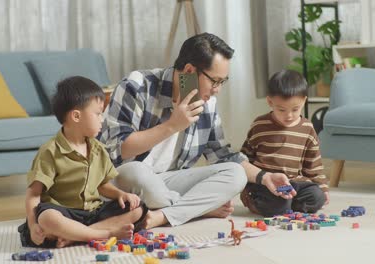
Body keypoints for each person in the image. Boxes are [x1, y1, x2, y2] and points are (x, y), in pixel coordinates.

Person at [101, 33, 291, 229]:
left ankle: (161, 215)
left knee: (235, 174)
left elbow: (223, 155)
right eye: (215, 81)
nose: (217, 89)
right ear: (190, 70)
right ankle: (196, 207)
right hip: (124, 177)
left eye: (222, 82)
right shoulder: (138, 84)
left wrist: (264, 176)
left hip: (167, 182)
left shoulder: (208, 104)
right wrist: (172, 125)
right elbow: (118, 148)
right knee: (138, 173)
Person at [18, 76, 148, 248]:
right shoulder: (50, 152)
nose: (102, 119)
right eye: (98, 114)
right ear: (76, 116)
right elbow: (34, 194)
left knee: (138, 209)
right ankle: (103, 233)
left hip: (93, 213)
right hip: (63, 213)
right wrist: (34, 225)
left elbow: (102, 186)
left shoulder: (98, 149)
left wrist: (120, 195)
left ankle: (74, 236)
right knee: (47, 219)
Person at [240, 69, 329, 217]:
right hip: (266, 184)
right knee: (276, 204)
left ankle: (288, 204)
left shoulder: (307, 128)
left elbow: (313, 164)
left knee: (317, 196)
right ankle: (256, 201)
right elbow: (245, 157)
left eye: (295, 109)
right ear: (270, 102)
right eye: (281, 110)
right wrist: (245, 187)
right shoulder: (259, 125)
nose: (289, 116)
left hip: (295, 183)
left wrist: (323, 188)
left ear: (304, 101)